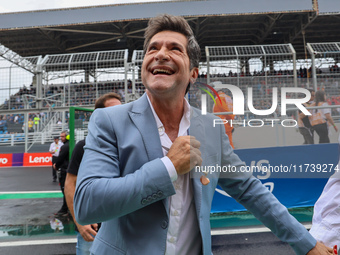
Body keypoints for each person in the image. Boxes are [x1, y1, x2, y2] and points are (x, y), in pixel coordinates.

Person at [74, 14, 334, 255]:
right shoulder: (109, 120)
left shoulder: (210, 127)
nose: (160, 54)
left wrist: (306, 244)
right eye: (153, 48)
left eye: (174, 49)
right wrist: (168, 167)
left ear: (193, 74)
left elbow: (251, 190)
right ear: (143, 66)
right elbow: (87, 204)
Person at [64, 92, 121, 255]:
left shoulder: (129, 145)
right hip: (92, 226)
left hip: (123, 225)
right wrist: (79, 221)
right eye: (113, 111)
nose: (119, 114)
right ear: (99, 117)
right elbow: (70, 184)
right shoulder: (84, 146)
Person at [212, 81, 236, 148]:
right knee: (229, 144)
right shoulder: (227, 97)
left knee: (225, 146)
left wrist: (230, 119)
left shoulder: (219, 98)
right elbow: (231, 110)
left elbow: (226, 111)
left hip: (222, 124)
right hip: (227, 124)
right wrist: (231, 121)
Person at [53, 130, 70, 216]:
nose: (61, 138)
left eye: (63, 136)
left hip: (65, 170)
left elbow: (60, 158)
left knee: (65, 190)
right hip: (70, 170)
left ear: (67, 137)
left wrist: (56, 165)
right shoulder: (72, 145)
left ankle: (64, 209)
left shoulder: (65, 147)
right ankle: (68, 208)